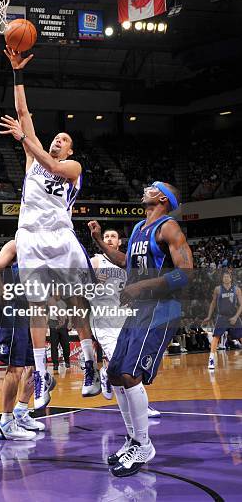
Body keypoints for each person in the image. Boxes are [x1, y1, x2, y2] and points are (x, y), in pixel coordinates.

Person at [0, 47, 100, 410]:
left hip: (60, 237)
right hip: (30, 238)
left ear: (71, 149)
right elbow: (24, 113)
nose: (58, 141)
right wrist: (17, 74)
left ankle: (89, 362)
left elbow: (54, 168)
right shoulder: (32, 156)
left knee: (76, 303)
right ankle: (41, 375)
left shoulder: (73, 168)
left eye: (64, 139)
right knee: (36, 308)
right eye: (55, 138)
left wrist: (26, 140)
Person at [89, 181, 193, 477]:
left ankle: (144, 445)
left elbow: (185, 272)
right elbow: (127, 264)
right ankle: (134, 439)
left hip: (161, 309)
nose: (145, 188)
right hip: (139, 309)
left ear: (162, 197)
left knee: (130, 374)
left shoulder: (169, 227)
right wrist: (100, 242)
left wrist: (140, 287)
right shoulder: (137, 229)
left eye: (152, 187)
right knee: (115, 373)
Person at [88, 226, 161, 418]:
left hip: (126, 317)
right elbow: (78, 286)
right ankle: (141, 408)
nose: (110, 239)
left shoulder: (126, 263)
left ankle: (106, 373)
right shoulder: (95, 261)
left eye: (113, 236)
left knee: (131, 365)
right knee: (120, 366)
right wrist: (92, 281)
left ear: (120, 242)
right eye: (106, 236)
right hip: (103, 319)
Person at [0, 240, 45, 440]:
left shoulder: (45, 249)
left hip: (35, 313)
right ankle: (5, 423)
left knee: (34, 366)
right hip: (14, 310)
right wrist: (3, 290)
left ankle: (20, 411)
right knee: (15, 368)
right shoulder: (17, 244)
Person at [203, 270, 242, 369]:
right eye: (224, 277)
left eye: (228, 277)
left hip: (234, 316)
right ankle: (211, 359)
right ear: (222, 278)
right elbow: (213, 303)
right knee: (216, 337)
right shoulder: (218, 289)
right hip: (222, 317)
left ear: (231, 278)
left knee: (240, 337)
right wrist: (209, 316)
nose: (226, 278)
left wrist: (236, 317)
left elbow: (241, 305)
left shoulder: (236, 289)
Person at [48, 295, 71, 372]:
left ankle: (67, 361)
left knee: (66, 345)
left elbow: (69, 312)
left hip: (64, 324)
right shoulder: (50, 301)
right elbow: (46, 313)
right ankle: (55, 364)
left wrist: (70, 322)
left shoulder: (65, 301)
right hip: (53, 323)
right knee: (54, 346)